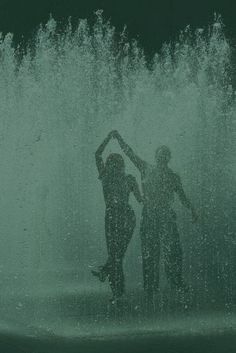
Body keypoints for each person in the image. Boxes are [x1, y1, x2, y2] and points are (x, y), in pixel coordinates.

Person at [112, 130, 197, 300]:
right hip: (150, 215)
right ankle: (151, 287)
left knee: (173, 250)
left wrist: (192, 209)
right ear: (156, 156)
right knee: (150, 251)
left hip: (166, 216)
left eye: (165, 155)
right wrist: (119, 138)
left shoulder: (173, 177)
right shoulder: (145, 168)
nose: (162, 157)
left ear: (168, 158)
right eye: (160, 154)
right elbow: (130, 153)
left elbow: (182, 196)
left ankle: (176, 282)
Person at [92, 132, 142, 303]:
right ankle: (116, 291)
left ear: (120, 165)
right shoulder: (107, 177)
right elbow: (97, 154)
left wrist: (113, 138)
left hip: (125, 217)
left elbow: (141, 199)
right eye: (110, 163)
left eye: (115, 163)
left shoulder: (127, 179)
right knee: (116, 256)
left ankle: (112, 284)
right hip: (114, 217)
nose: (112, 166)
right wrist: (110, 138)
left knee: (116, 255)